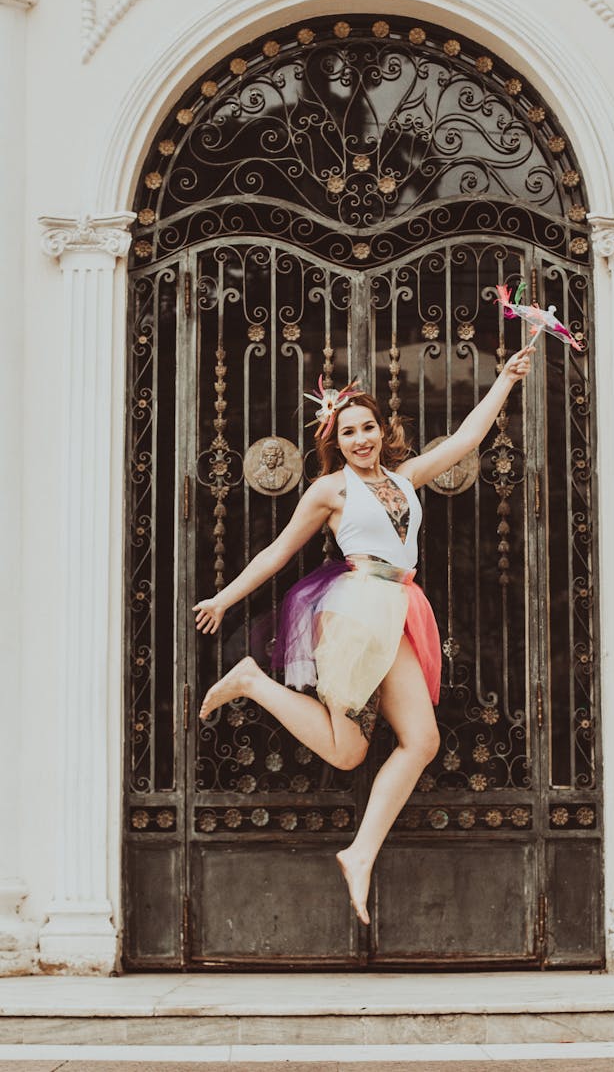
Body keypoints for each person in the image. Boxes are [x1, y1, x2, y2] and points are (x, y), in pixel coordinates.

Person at [193, 346, 534, 924]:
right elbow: (279, 552)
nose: (361, 439)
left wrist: (504, 379)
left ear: (383, 430)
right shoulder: (331, 490)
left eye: (368, 428)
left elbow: (464, 441)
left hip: (399, 605)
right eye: (349, 431)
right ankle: (254, 687)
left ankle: (356, 849)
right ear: (336, 439)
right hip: (356, 613)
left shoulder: (404, 478)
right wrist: (225, 599)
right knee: (404, 744)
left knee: (358, 751)